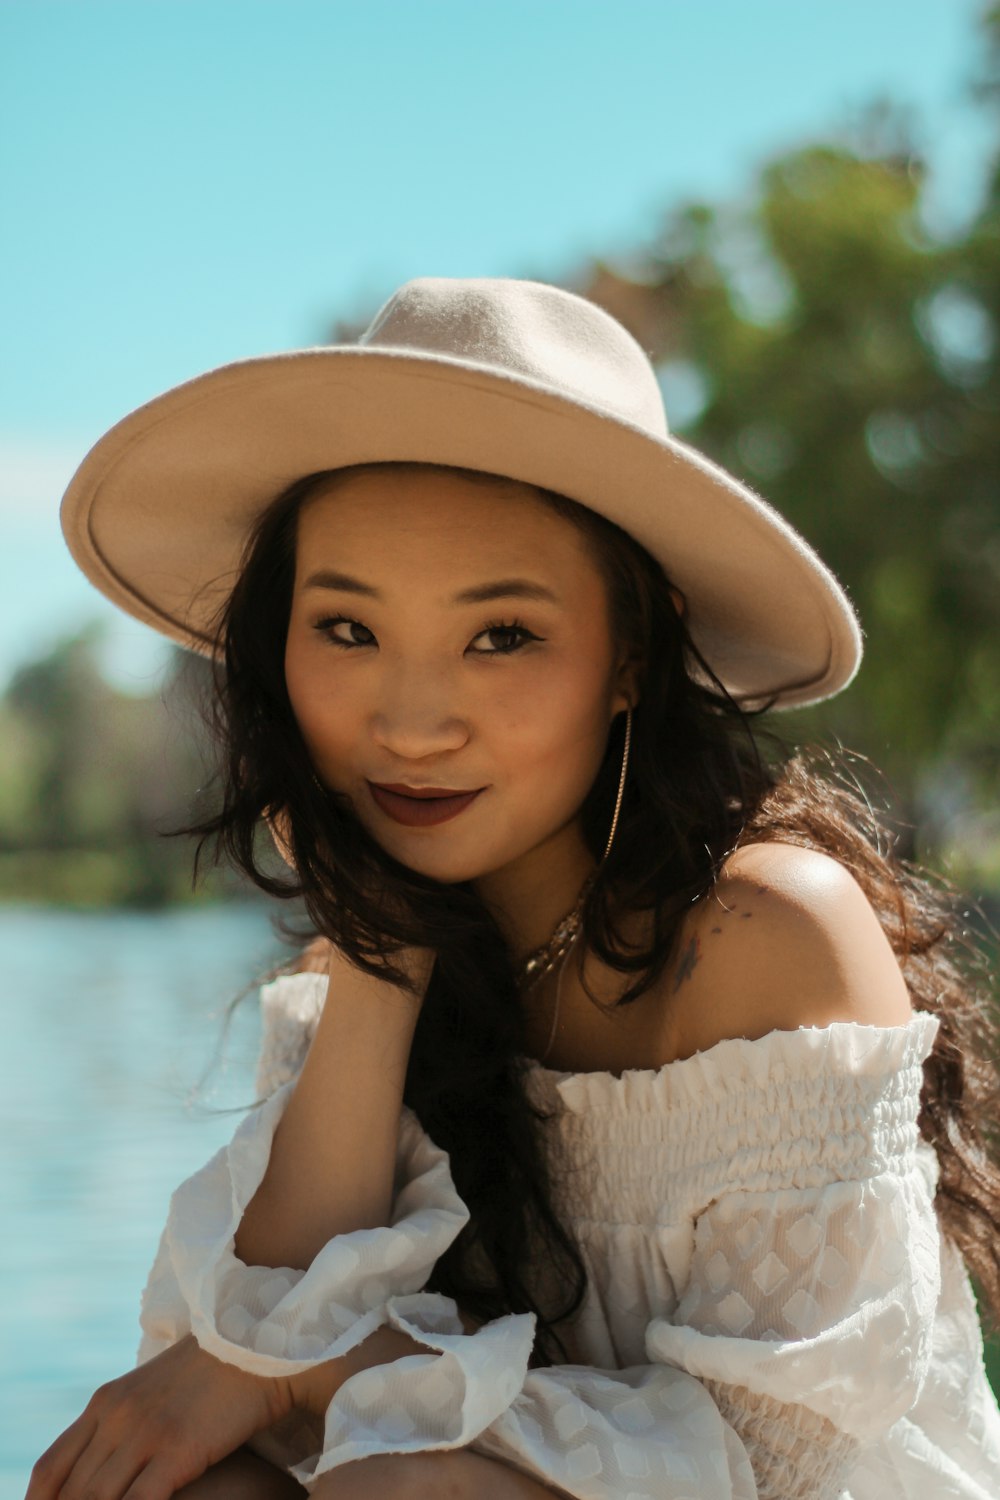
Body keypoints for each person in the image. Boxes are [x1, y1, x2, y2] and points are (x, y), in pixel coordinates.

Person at [32, 276, 1000, 1500]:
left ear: (628, 660)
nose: (413, 724)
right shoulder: (374, 950)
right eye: (346, 630)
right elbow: (222, 1373)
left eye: (501, 635)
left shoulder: (767, 928)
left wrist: (296, 1375)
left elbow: (777, 1452)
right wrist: (380, 969)